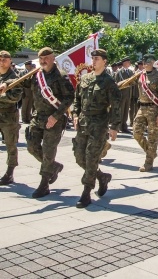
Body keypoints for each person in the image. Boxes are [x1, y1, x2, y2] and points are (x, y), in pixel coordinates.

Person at [0, 47, 75, 198]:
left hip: (54, 119)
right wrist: (7, 84)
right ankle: (53, 166)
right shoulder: (36, 74)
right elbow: (19, 81)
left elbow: (69, 97)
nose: (43, 61)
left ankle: (44, 183)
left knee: (48, 151)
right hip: (38, 117)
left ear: (53, 58)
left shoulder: (61, 75)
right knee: (32, 147)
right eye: (40, 59)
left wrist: (56, 116)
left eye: (46, 58)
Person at [72, 49, 121, 208]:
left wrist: (114, 126)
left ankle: (86, 192)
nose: (93, 61)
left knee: (91, 157)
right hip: (83, 123)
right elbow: (77, 99)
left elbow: (116, 105)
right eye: (92, 58)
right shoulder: (85, 78)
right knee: (80, 157)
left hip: (99, 124)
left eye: (97, 59)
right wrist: (75, 114)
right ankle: (102, 177)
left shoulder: (108, 82)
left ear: (104, 61)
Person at [133, 54, 158, 172]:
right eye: (144, 61)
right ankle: (151, 153)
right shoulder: (141, 75)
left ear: (153, 62)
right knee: (136, 133)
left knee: (152, 137)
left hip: (153, 109)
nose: (145, 63)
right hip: (142, 108)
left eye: (148, 61)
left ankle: (148, 162)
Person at [0, 51, 23, 185]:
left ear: (10, 61)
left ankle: (10, 172)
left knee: (10, 145)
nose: (2, 61)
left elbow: (15, 97)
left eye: (5, 59)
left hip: (8, 116)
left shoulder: (16, 78)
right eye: (0, 59)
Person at [115, 57, 133, 133]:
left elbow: (133, 81)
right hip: (121, 94)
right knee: (121, 111)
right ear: (124, 63)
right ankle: (118, 126)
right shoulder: (119, 72)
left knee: (126, 111)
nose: (129, 63)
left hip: (128, 94)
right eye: (128, 62)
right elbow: (116, 83)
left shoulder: (130, 72)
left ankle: (124, 126)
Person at [129, 60, 143, 128]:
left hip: (142, 94)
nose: (141, 66)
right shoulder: (136, 73)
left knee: (141, 110)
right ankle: (133, 122)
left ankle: (141, 124)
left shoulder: (144, 72)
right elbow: (134, 83)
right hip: (136, 93)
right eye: (140, 65)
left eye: (141, 65)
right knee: (135, 109)